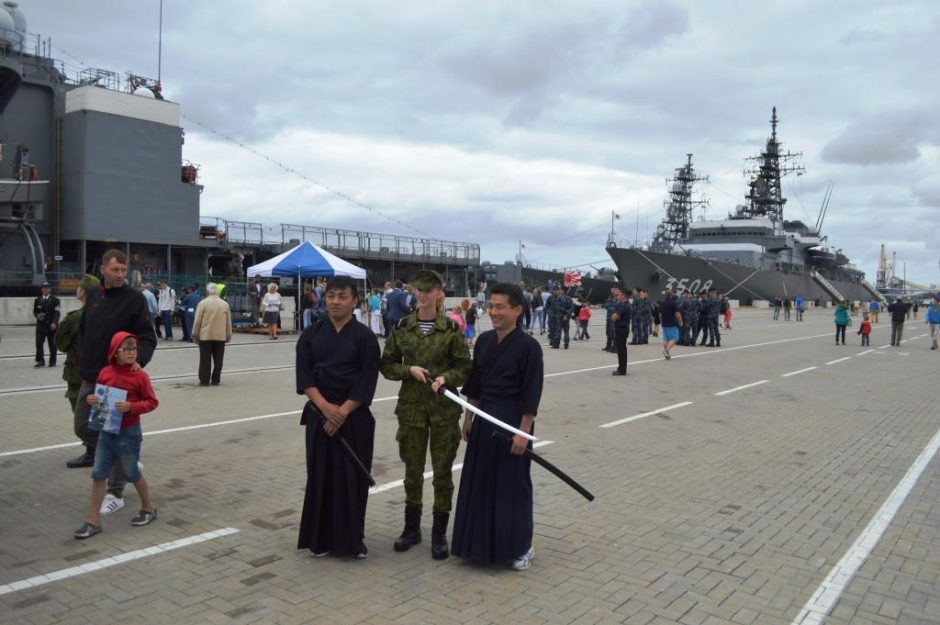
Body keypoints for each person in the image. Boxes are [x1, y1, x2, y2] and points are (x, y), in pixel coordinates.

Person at [380, 270, 472, 560]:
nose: (423, 294)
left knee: (443, 473)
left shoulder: (451, 329)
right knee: (412, 472)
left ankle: (439, 534)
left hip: (444, 410)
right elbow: (387, 365)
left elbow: (465, 366)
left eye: (429, 290)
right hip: (412, 409)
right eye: (419, 289)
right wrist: (408, 370)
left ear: (439, 294)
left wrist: (446, 378)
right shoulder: (402, 327)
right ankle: (411, 529)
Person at [451, 283, 544, 571]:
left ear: (517, 309)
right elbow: (475, 384)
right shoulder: (484, 341)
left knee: (512, 486)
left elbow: (532, 392)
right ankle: (476, 545)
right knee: (480, 481)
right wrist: (468, 417)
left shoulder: (529, 347)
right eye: (492, 306)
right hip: (484, 418)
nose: (494, 312)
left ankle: (520, 546)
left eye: (500, 307)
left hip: (513, 420)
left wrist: (522, 431)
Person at [68, 249, 157, 522]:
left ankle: (115, 494)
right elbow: (84, 329)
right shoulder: (94, 295)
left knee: (114, 432)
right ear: (104, 269)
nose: (120, 275)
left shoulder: (135, 299)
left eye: (123, 270)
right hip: (93, 375)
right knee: (82, 425)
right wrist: (85, 354)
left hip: (120, 380)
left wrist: (138, 360)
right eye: (115, 270)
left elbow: (147, 336)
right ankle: (124, 456)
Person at [296, 276, 380, 559]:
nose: (335, 301)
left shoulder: (366, 338)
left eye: (342, 296)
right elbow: (305, 375)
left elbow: (367, 379)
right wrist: (325, 408)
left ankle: (351, 540)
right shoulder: (310, 335)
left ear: (355, 300)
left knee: (351, 480)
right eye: (331, 296)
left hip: (353, 418)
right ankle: (319, 540)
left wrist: (342, 412)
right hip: (319, 416)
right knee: (320, 476)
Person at [73, 331, 158, 539]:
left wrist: (131, 406)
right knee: (99, 473)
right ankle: (93, 520)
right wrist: (92, 400)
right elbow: (100, 398)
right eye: (126, 349)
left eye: (134, 348)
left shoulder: (140, 376)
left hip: (128, 433)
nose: (131, 353)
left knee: (132, 473)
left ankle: (148, 508)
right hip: (107, 431)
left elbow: (151, 402)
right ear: (115, 352)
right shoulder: (105, 373)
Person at [57, 275, 100, 414]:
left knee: (82, 422)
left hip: (78, 375)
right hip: (103, 375)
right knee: (100, 419)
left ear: (82, 292)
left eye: (79, 288)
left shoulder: (74, 318)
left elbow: (61, 345)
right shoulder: (108, 315)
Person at [192, 283, 232, 386]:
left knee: (205, 359)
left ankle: (204, 381)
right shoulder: (224, 304)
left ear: (207, 291)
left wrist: (194, 334)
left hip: (206, 335)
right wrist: (228, 334)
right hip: (220, 336)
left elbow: (197, 321)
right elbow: (228, 322)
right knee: (219, 360)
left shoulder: (203, 303)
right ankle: (216, 379)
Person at [33, 280, 61, 368]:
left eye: (47, 288)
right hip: (41, 325)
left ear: (50, 290)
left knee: (52, 344)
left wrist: (54, 322)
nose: (45, 290)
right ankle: (40, 360)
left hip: (51, 325)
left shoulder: (55, 300)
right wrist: (38, 315)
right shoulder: (37, 300)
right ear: (41, 290)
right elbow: (35, 311)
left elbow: (57, 312)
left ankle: (52, 361)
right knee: (39, 343)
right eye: (43, 288)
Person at [610, 289, 632, 375]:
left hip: (621, 329)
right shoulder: (623, 305)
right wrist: (615, 315)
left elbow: (615, 317)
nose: (618, 296)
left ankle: (622, 370)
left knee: (621, 350)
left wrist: (615, 316)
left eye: (619, 294)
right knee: (621, 350)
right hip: (621, 329)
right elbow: (615, 315)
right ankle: (621, 368)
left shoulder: (625, 306)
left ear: (623, 296)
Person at [546, 284, 573, 349]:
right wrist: (567, 315)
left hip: (559, 316)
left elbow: (557, 307)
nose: (559, 291)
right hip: (566, 317)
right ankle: (566, 344)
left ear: (563, 291)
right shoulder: (569, 298)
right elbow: (571, 308)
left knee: (558, 330)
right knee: (566, 331)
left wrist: (563, 313)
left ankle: (556, 344)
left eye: (560, 289)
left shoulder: (559, 298)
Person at [659, 289, 682, 360]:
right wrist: (680, 321)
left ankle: (667, 354)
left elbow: (660, 313)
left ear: (665, 295)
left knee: (666, 339)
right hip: (672, 323)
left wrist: (661, 320)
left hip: (664, 323)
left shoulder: (662, 303)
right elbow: (677, 313)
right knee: (674, 338)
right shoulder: (673, 303)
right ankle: (666, 350)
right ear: (671, 295)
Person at [603, 287, 619, 352]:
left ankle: (615, 347)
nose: (613, 291)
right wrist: (610, 307)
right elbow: (605, 305)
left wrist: (610, 307)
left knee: (614, 333)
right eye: (612, 289)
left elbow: (618, 307)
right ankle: (608, 346)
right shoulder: (609, 297)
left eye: (615, 290)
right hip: (609, 318)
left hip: (615, 319)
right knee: (608, 332)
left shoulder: (619, 298)